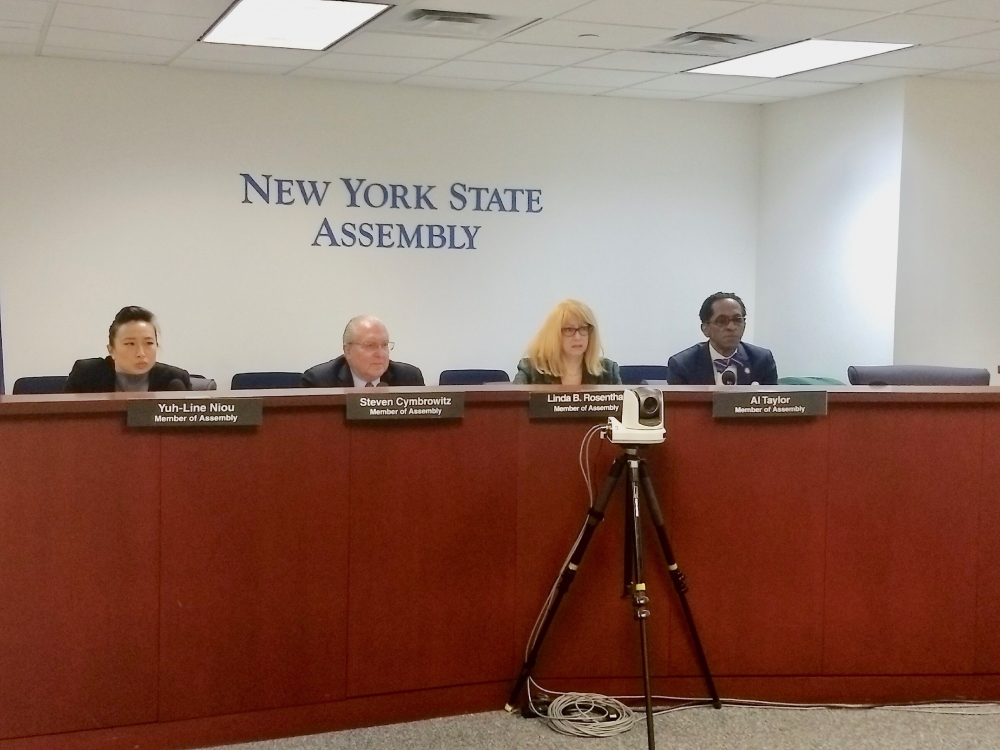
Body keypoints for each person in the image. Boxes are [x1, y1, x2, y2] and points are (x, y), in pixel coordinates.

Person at [65, 306, 192, 392]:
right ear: (111, 350)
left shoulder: (175, 380)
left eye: (149, 343)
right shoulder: (87, 375)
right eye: (130, 344)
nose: (141, 353)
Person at [667, 292, 777, 385]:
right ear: (705, 329)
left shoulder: (762, 360)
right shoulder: (682, 365)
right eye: (722, 321)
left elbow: (772, 402)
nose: (731, 327)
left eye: (737, 320)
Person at [513, 299, 621, 385]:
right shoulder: (531, 370)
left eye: (583, 328)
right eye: (569, 329)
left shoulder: (608, 371)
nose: (577, 337)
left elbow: (623, 405)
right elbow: (514, 403)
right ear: (554, 334)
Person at [301, 315, 424, 387]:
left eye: (384, 345)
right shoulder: (319, 381)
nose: (380, 354)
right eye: (370, 345)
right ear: (348, 351)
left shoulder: (409, 379)